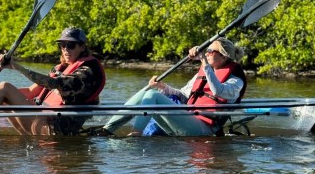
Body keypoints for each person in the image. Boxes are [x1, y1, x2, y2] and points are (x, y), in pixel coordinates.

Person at [104, 37, 246, 137]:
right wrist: (163, 87)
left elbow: (218, 91)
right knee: (151, 91)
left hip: (205, 128)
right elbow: (182, 95)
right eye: (207, 51)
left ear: (224, 57)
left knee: (152, 96)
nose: (207, 53)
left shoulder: (235, 81)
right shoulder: (204, 72)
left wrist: (203, 61)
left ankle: (135, 135)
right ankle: (108, 129)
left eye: (211, 51)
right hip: (188, 118)